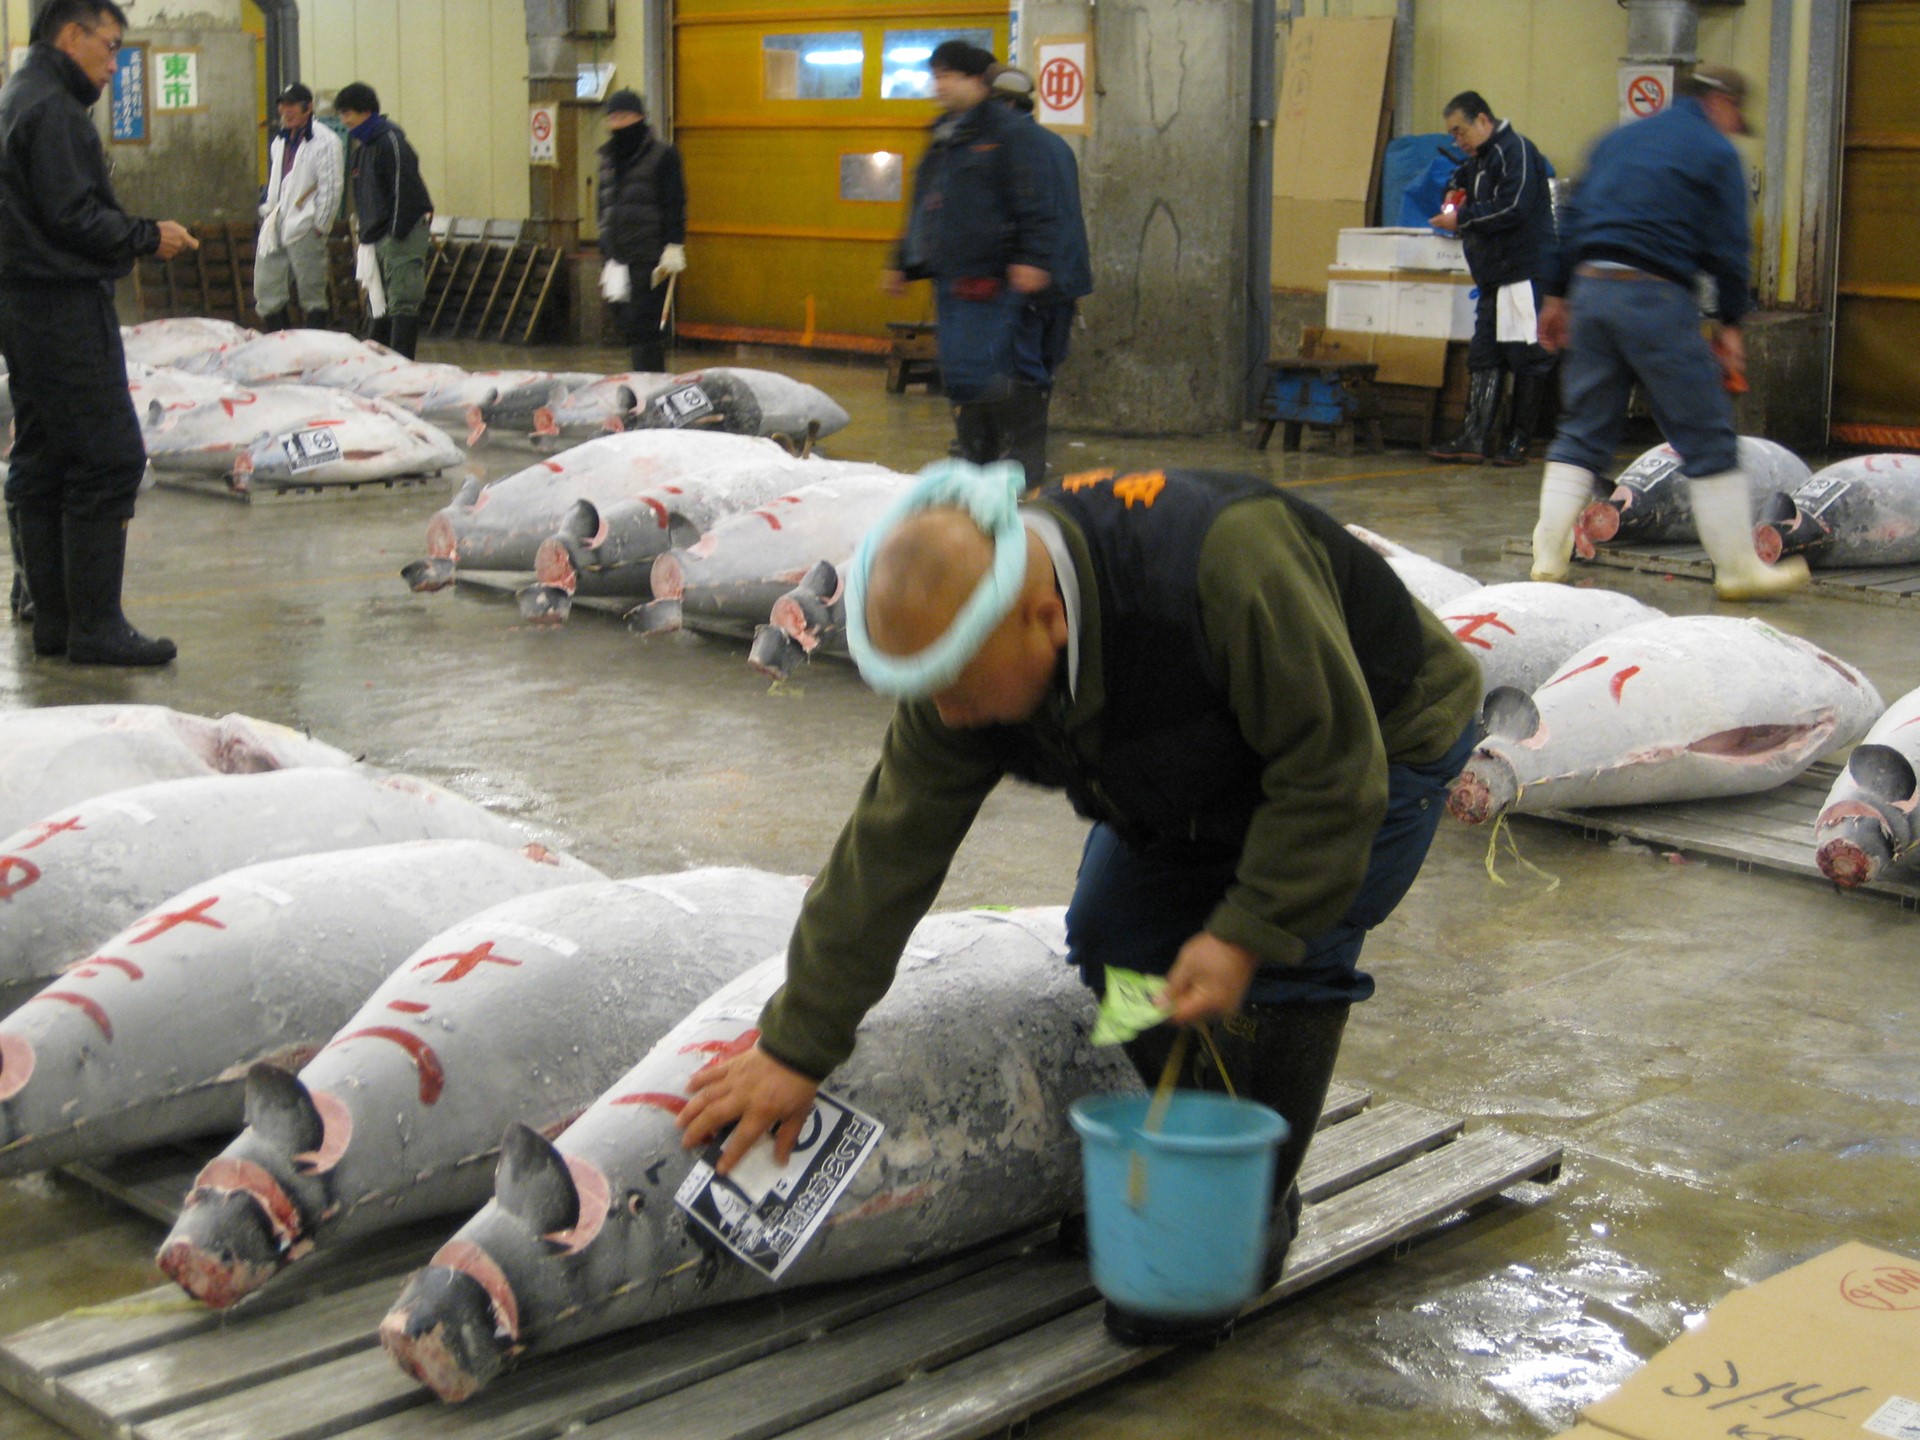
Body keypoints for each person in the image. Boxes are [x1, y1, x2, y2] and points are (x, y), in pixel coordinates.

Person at [676, 460, 1482, 1338]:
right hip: (1192, 763)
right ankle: (1193, 1148)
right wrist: (796, 1044)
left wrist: (1247, 934)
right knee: (1112, 935)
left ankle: (1245, 1212)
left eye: (962, 689)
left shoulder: (1223, 568)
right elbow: (889, 845)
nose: (947, 718)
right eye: (928, 692)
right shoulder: (968, 653)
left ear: (1049, 620)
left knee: (1289, 957)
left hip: (1375, 742)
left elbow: (1333, 780)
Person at [1532, 66, 1808, 600]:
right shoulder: (1715, 152)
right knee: (1706, 435)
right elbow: (1730, 248)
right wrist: (1730, 324)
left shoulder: (1616, 140)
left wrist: (1556, 295)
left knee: (1583, 428)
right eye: (1735, 118)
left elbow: (1570, 218)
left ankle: (1547, 555)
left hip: (1589, 291)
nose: (1733, 128)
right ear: (1722, 103)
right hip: (1653, 295)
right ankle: (1738, 570)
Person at [0, 0, 195, 667]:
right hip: (60, 303)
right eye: (110, 48)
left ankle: (55, 623)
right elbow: (73, 216)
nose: (115, 65)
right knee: (108, 458)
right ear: (70, 35)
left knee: (47, 456)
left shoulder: (20, 96)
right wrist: (148, 235)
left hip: (24, 303)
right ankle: (96, 627)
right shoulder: (52, 111)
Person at [885, 42, 1056, 476]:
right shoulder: (942, 133)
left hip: (996, 277)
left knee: (1003, 370)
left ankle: (1023, 469)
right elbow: (923, 201)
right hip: (952, 277)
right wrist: (901, 261)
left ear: (977, 80)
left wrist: (1032, 256)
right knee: (962, 374)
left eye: (947, 76)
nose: (937, 84)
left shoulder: (1007, 131)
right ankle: (977, 462)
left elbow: (1034, 200)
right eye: (935, 75)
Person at [1427, 91, 1556, 467]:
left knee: (1526, 357)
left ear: (1483, 120)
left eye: (1460, 131)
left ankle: (1518, 442)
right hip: (1492, 278)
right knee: (1484, 355)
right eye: (1452, 134)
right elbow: (1458, 182)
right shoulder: (1477, 160)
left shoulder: (1514, 150)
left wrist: (1462, 219)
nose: (1458, 140)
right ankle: (1475, 437)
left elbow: (1513, 207)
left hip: (1522, 274)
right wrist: (1452, 192)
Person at [985, 64, 1092, 494]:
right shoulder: (1058, 146)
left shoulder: (1011, 148)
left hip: (1030, 279)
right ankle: (1029, 459)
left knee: (1023, 367)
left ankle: (1024, 463)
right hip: (1065, 279)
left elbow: (1020, 218)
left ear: (1007, 104)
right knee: (1043, 366)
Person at [334, 82, 432, 360]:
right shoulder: (362, 149)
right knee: (382, 302)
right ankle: (381, 363)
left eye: (348, 113)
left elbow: (406, 190)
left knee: (403, 301)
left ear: (366, 112)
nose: (345, 121)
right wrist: (367, 235)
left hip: (400, 233)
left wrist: (395, 234)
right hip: (377, 235)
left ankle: (401, 366)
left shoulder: (392, 142)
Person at [596, 88, 686, 375]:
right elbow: (603, 203)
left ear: (640, 117)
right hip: (617, 259)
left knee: (646, 330)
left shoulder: (663, 155)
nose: (618, 123)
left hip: (649, 257)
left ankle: (651, 387)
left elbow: (675, 201)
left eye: (624, 116)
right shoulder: (607, 159)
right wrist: (605, 245)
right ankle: (638, 385)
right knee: (627, 329)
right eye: (612, 117)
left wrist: (674, 245)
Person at [254, 82, 344, 332]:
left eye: (292, 105)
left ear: (308, 107)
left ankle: (313, 345)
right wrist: (269, 211)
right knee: (267, 288)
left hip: (306, 223)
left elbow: (332, 186)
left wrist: (321, 225)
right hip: (277, 220)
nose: (286, 110)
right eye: (283, 105)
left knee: (311, 289)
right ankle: (280, 341)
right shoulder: (280, 141)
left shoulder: (326, 141)